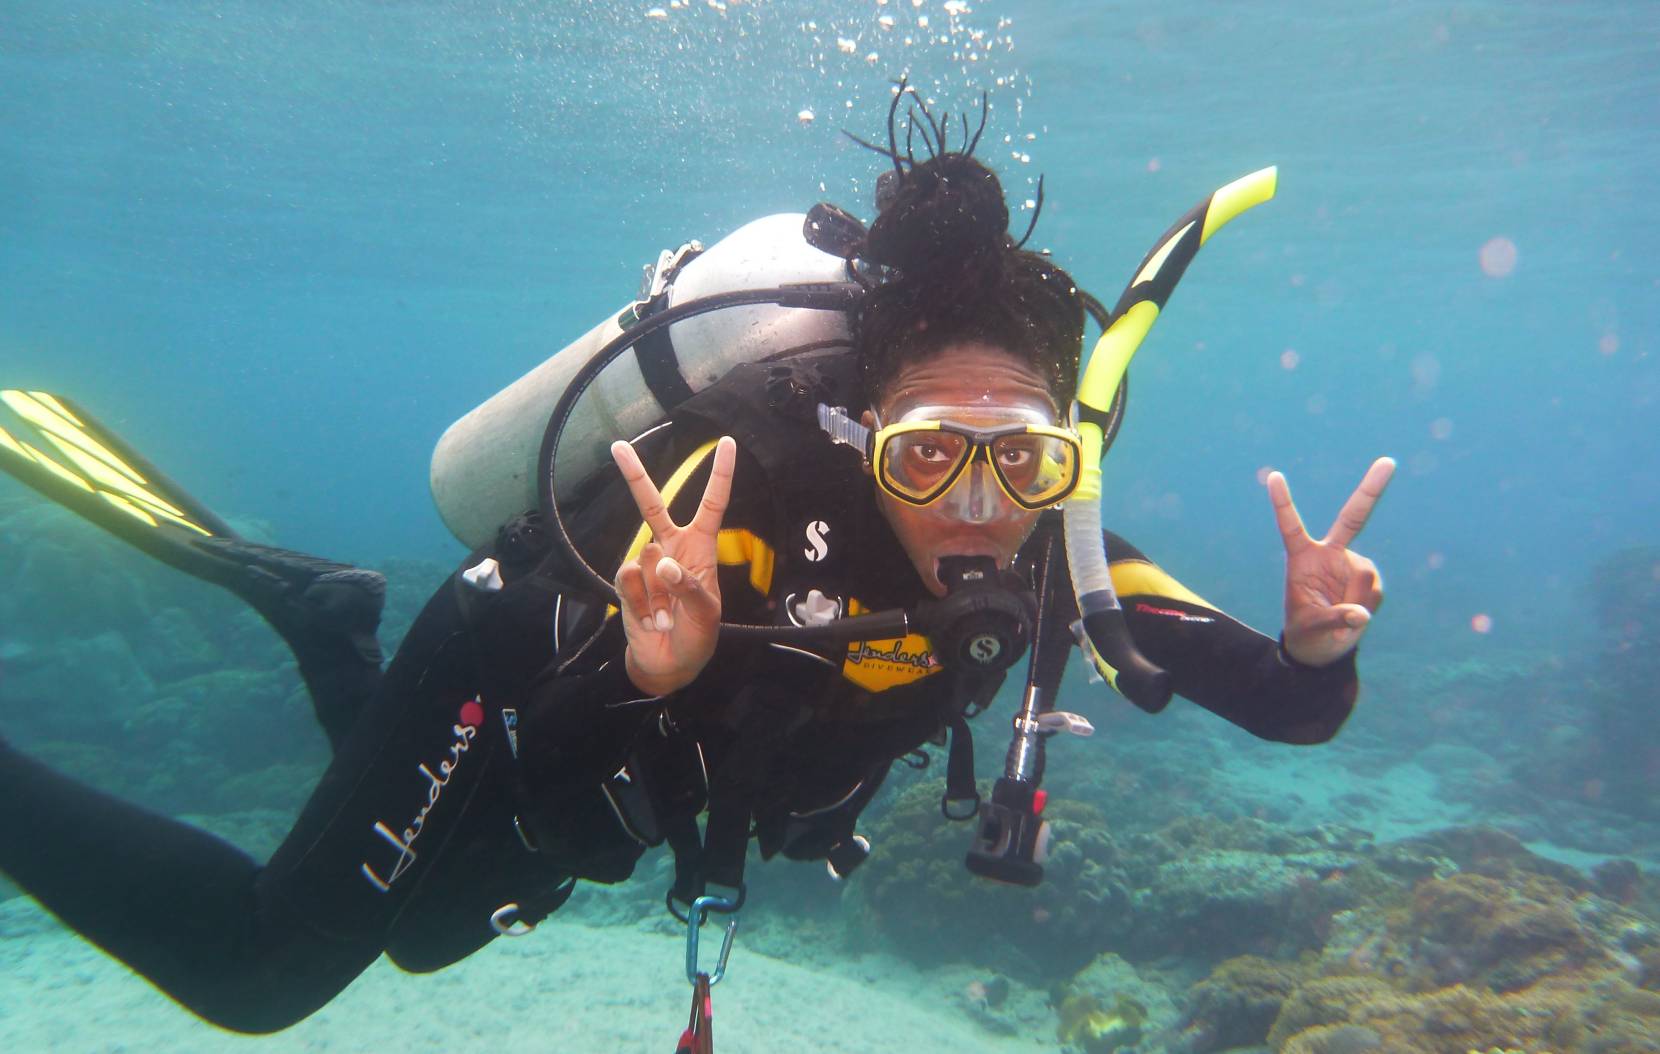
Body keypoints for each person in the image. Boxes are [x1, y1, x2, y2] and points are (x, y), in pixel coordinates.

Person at [0, 102, 1391, 1034]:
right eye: (926, 459)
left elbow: (1286, 706)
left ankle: (321, 618)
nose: (978, 506)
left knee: (422, 936)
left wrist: (1319, 651)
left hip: (605, 800)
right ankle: (329, 632)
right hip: (519, 662)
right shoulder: (729, 507)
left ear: (1069, 464)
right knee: (264, 970)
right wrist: (639, 660)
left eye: (1021, 462)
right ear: (865, 437)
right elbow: (542, 744)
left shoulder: (1055, 554)